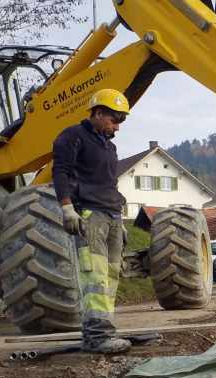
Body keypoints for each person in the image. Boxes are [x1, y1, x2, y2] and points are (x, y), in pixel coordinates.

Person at [51, 88, 131, 354]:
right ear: (97, 113)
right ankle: (97, 336)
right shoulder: (72, 137)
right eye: (114, 119)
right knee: (95, 275)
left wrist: (121, 220)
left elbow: (110, 182)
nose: (117, 126)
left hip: (112, 214)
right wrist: (67, 208)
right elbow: (61, 172)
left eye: (121, 120)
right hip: (89, 214)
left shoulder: (110, 146)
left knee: (111, 274)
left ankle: (105, 328)